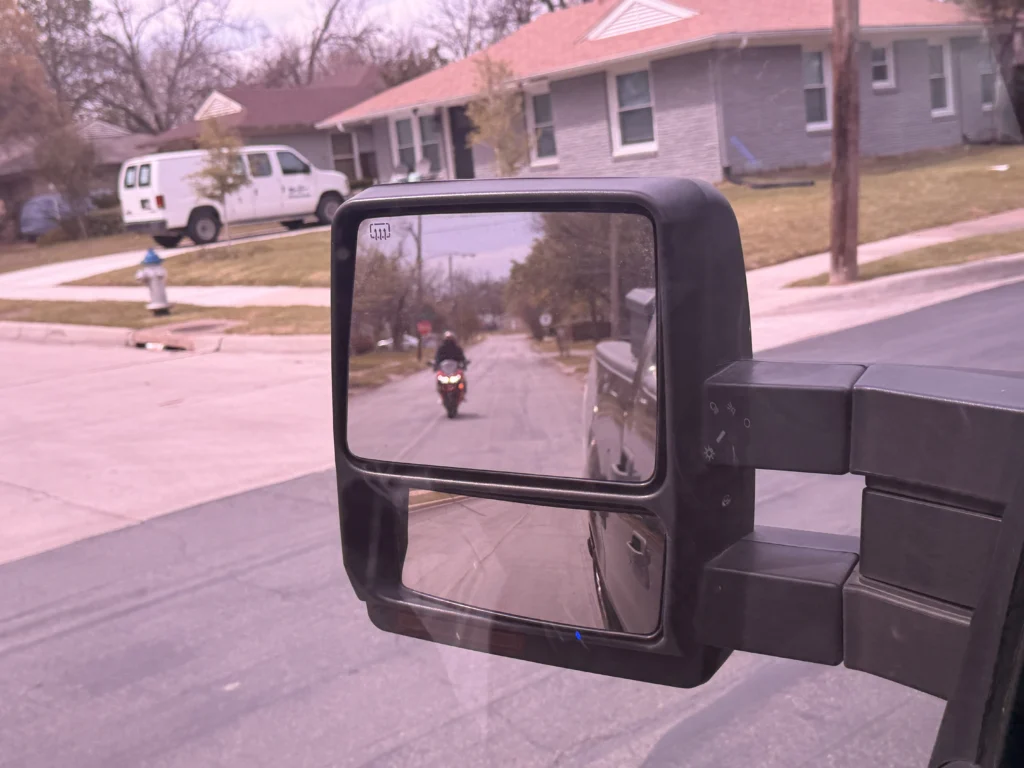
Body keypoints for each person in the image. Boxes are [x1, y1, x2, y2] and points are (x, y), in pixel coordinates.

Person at [434, 331, 468, 398]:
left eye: (450, 338)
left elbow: (462, 357)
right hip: (445, 369)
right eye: (447, 338)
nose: (449, 340)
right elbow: (437, 358)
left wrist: (464, 363)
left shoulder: (457, 348)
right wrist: (436, 365)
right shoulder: (441, 348)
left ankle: (462, 393)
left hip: (454, 369)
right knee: (439, 378)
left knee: (462, 378)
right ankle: (441, 395)